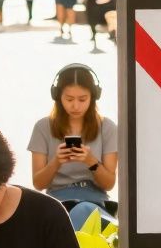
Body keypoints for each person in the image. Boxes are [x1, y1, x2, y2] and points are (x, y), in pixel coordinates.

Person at [29, 65, 118, 229]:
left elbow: (109, 183)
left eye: (82, 99)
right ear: (57, 96)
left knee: (83, 211)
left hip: (94, 200)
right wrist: (56, 162)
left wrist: (91, 161)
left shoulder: (107, 127)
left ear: (93, 96)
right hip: (57, 202)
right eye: (69, 99)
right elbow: (38, 183)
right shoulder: (43, 127)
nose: (75, 106)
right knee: (74, 216)